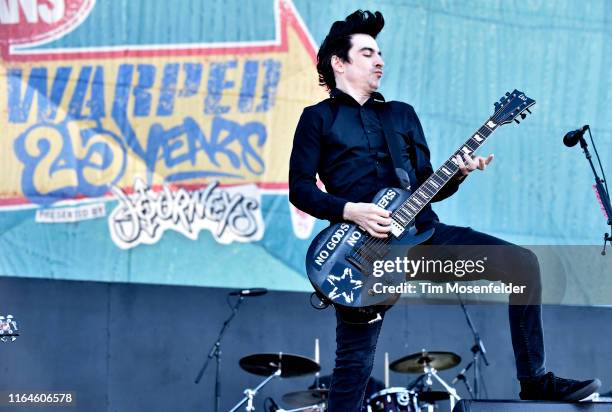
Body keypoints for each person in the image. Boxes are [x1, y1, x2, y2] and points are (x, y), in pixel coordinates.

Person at [288, 9, 601, 412]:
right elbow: (300, 189)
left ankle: (535, 381)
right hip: (364, 258)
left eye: (380, 53)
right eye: (367, 53)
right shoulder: (317, 119)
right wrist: (352, 211)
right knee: (353, 371)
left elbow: (424, 187)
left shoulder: (401, 115)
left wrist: (457, 174)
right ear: (339, 62)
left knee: (523, 265)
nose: (379, 60)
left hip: (425, 240)